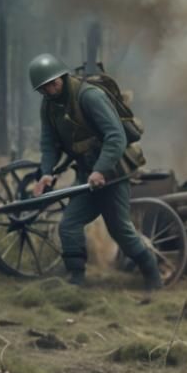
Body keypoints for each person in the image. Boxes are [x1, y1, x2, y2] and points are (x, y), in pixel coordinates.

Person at [28, 53, 161, 290]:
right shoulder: (49, 106)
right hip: (85, 174)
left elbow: (116, 137)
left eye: (52, 84)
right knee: (68, 226)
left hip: (113, 173)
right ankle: (76, 279)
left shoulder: (90, 96)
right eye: (43, 88)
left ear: (61, 77)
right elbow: (49, 144)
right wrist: (46, 172)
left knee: (120, 231)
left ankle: (153, 277)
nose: (49, 90)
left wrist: (100, 170)